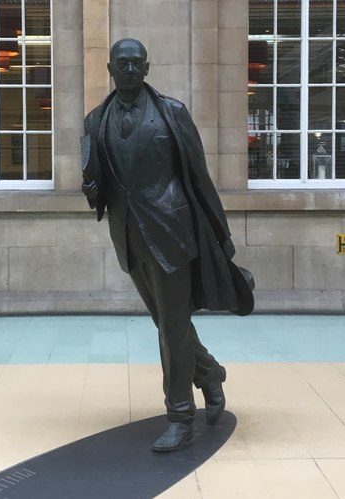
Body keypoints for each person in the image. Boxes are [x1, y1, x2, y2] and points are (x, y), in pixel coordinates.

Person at [80, 38, 253, 453]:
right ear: (109, 68)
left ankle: (180, 417)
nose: (128, 69)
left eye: (136, 62)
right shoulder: (94, 120)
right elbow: (99, 181)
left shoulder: (172, 113)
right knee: (168, 323)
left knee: (172, 328)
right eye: (121, 63)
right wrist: (91, 187)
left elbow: (199, 177)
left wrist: (221, 233)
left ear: (147, 67)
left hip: (173, 234)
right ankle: (209, 372)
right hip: (129, 237)